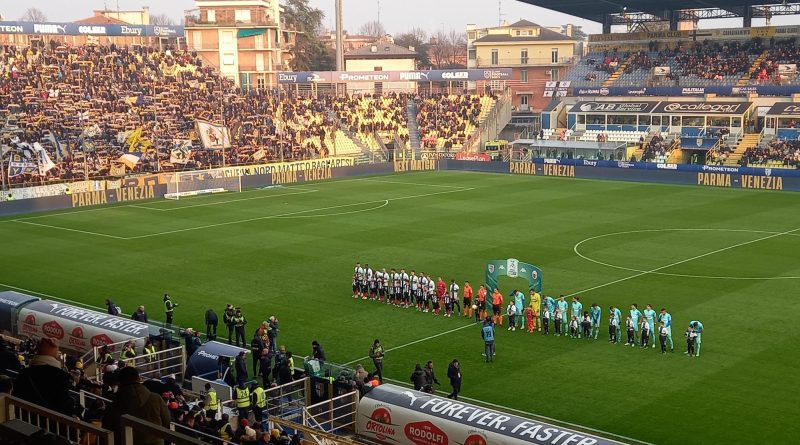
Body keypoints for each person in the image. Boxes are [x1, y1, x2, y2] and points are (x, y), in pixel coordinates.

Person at [102, 366, 171, 445]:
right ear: (139, 379)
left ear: (119, 382)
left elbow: (107, 428)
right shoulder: (156, 399)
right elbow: (167, 422)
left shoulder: (113, 406)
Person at [14, 338, 79, 417]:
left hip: (25, 419)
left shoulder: (24, 373)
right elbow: (63, 406)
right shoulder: (61, 377)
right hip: (51, 423)